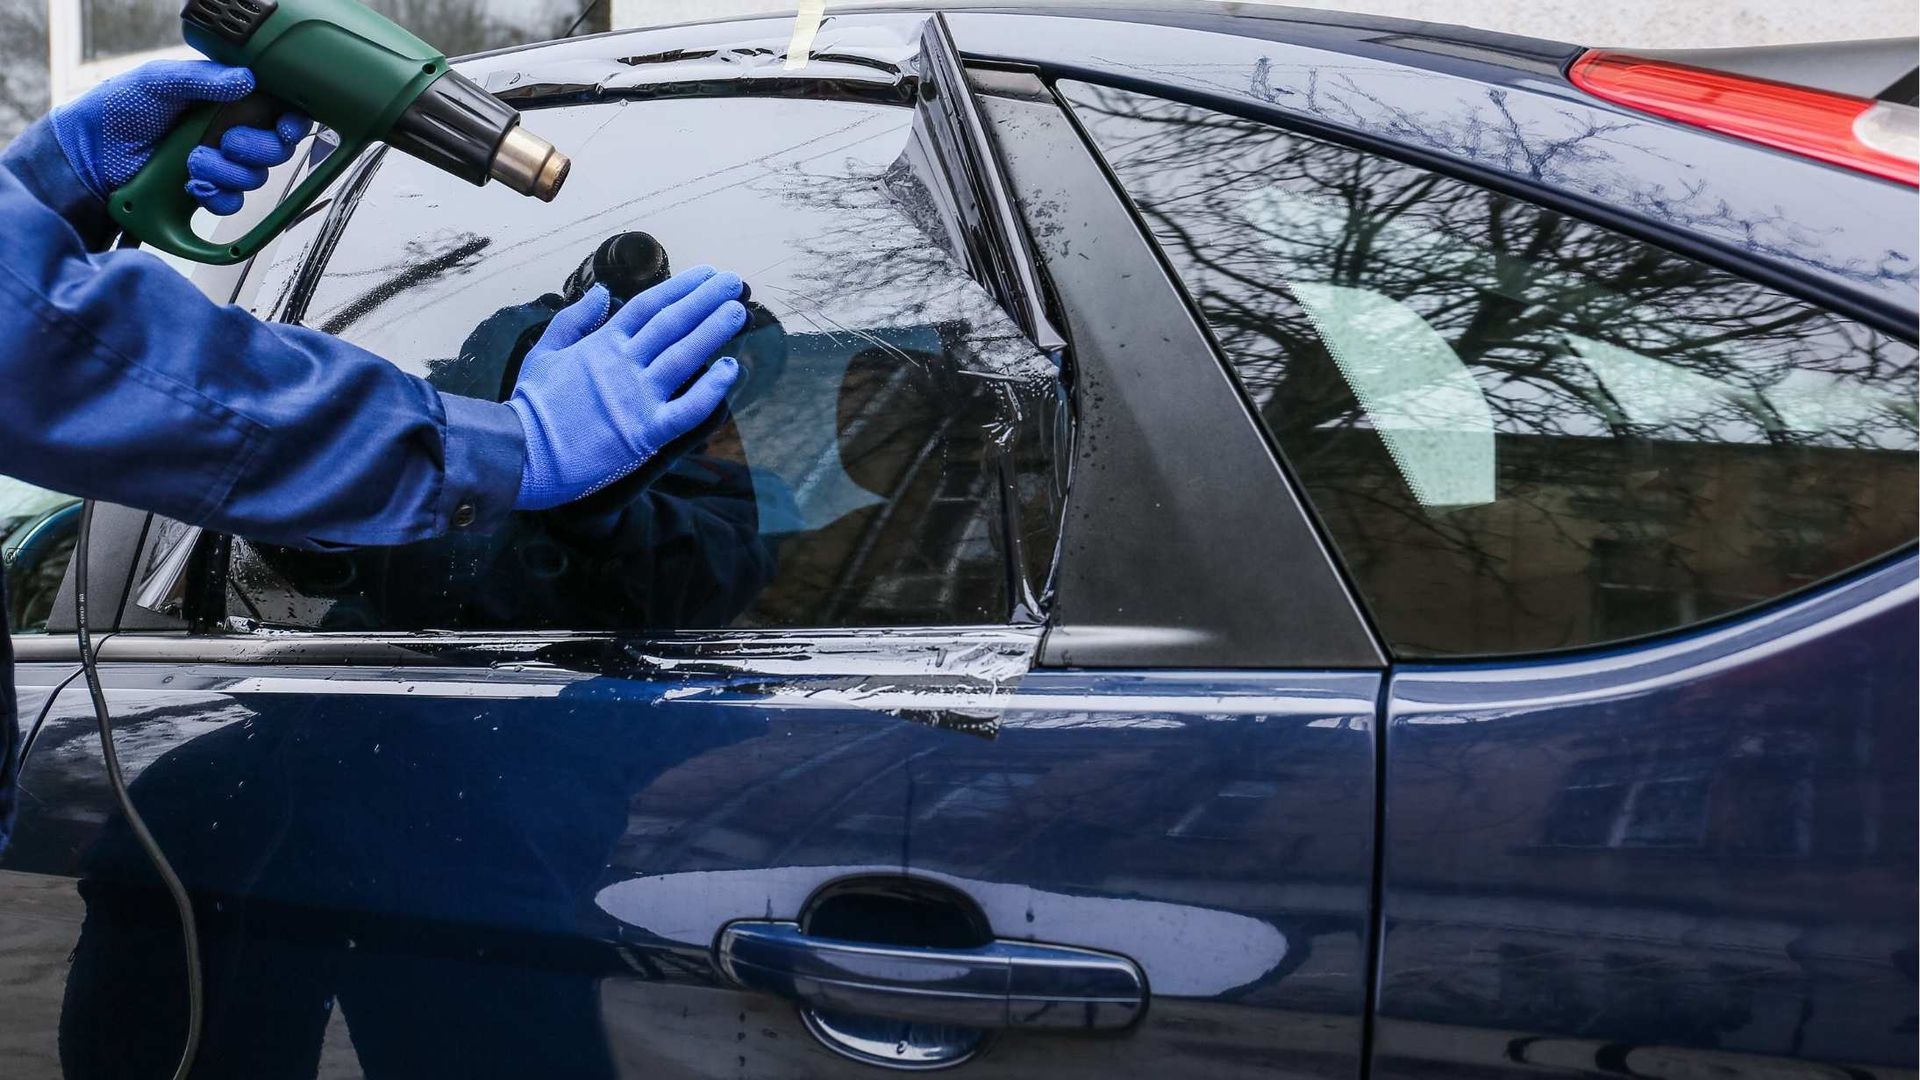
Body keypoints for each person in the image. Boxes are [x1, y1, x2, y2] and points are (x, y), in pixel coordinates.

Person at [0, 59, 750, 852]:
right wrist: (508, 446)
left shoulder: (694, 454)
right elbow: (58, 347)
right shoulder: (482, 358)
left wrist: (52, 181)